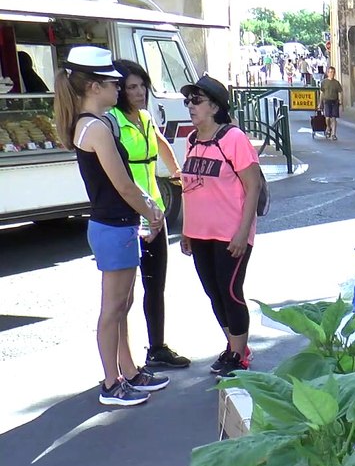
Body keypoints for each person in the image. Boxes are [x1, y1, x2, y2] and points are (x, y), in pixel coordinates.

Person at [55, 46, 168, 406]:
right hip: (114, 225)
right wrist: (152, 210)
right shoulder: (96, 128)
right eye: (113, 83)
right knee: (113, 308)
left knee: (122, 304)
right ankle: (111, 382)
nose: (119, 89)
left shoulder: (92, 124)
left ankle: (128, 371)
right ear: (93, 87)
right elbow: (123, 184)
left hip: (114, 225)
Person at [108, 58, 190, 370]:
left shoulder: (143, 117)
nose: (140, 92)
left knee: (155, 286)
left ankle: (157, 348)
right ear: (119, 90)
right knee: (124, 296)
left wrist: (179, 174)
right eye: (132, 87)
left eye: (142, 85)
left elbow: (161, 142)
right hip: (130, 216)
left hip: (156, 211)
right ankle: (122, 362)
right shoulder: (112, 122)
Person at [178, 75, 262, 378]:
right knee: (213, 293)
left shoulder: (233, 139)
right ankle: (233, 346)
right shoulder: (192, 140)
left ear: (214, 107)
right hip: (200, 233)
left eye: (196, 101)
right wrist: (187, 229)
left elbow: (252, 186)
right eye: (188, 101)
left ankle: (239, 355)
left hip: (230, 233)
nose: (190, 106)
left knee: (230, 292)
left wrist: (243, 232)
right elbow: (189, 188)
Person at [320, 66, 342, 140]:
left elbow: (340, 92)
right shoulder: (324, 82)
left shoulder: (336, 83)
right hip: (326, 101)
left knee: (334, 118)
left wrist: (341, 101)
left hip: (335, 101)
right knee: (327, 118)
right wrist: (320, 103)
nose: (332, 74)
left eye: (333, 72)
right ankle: (328, 127)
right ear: (327, 73)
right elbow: (322, 93)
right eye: (330, 72)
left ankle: (333, 134)